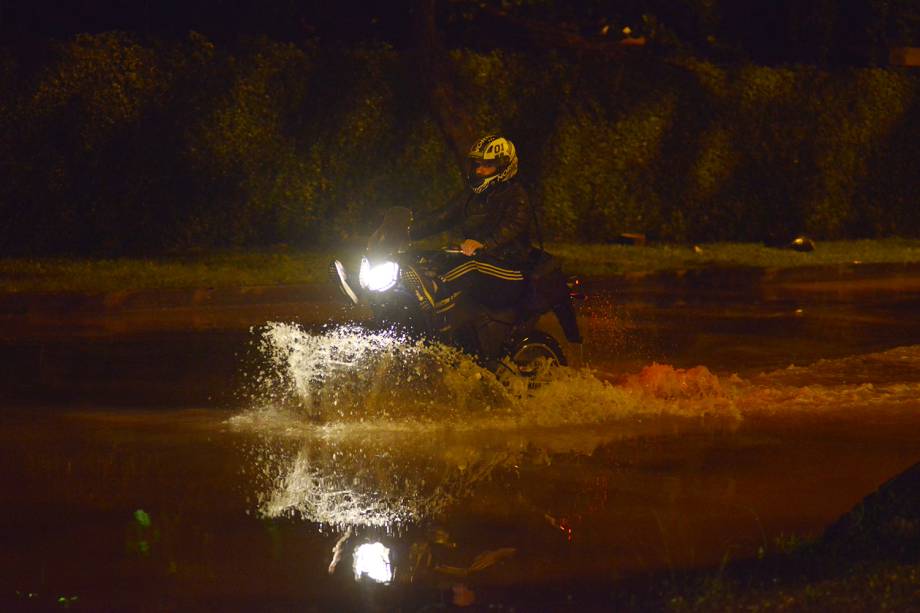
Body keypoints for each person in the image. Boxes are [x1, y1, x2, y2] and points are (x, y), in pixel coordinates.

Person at [410, 135, 535, 339]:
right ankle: (432, 328)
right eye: (477, 165)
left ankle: (438, 320)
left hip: (509, 265)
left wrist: (484, 244)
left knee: (464, 270)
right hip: (483, 258)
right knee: (429, 261)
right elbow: (442, 217)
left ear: (503, 167)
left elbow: (513, 226)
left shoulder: (516, 195)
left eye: (487, 166)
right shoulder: (472, 196)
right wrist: (407, 231)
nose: (479, 171)